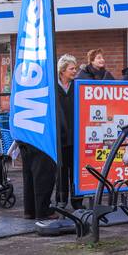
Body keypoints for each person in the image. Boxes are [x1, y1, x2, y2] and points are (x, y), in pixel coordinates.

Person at [56, 55, 79, 208]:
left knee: (76, 171)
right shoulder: (53, 87)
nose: (75, 71)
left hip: (76, 136)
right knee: (61, 171)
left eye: (75, 68)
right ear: (62, 71)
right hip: (60, 137)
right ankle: (61, 200)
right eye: (72, 69)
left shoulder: (78, 86)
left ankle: (77, 202)